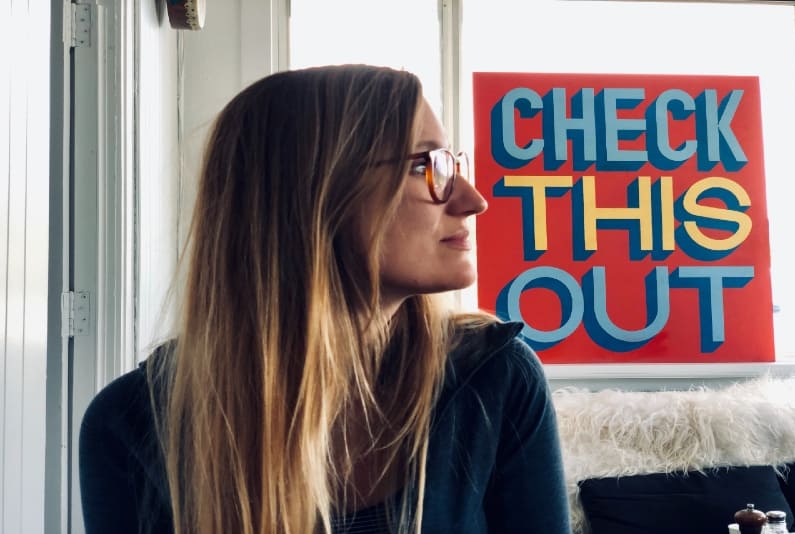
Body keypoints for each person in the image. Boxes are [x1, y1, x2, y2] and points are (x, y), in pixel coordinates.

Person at [79, 64, 571, 534]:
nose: (472, 199)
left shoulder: (493, 379)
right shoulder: (133, 425)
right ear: (315, 193)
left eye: (452, 162)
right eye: (427, 165)